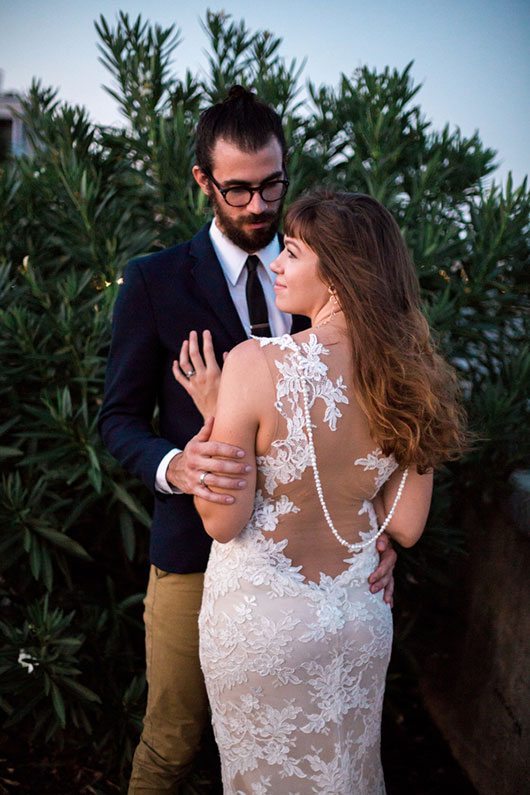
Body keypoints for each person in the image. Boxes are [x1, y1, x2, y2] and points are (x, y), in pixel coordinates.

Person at [98, 87, 397, 793]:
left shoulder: (329, 275)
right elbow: (116, 418)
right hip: (197, 551)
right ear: (203, 180)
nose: (259, 205)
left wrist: (374, 529)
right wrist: (177, 464)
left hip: (319, 567)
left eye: (272, 185)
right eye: (239, 189)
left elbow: (366, 419)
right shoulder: (152, 282)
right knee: (172, 739)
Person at [181, 190, 467, 793]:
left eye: (291, 252)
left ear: (337, 271)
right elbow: (407, 527)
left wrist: (214, 414)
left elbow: (222, 521)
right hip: (358, 621)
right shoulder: (411, 378)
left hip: (262, 629)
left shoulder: (252, 362)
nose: (277, 266)